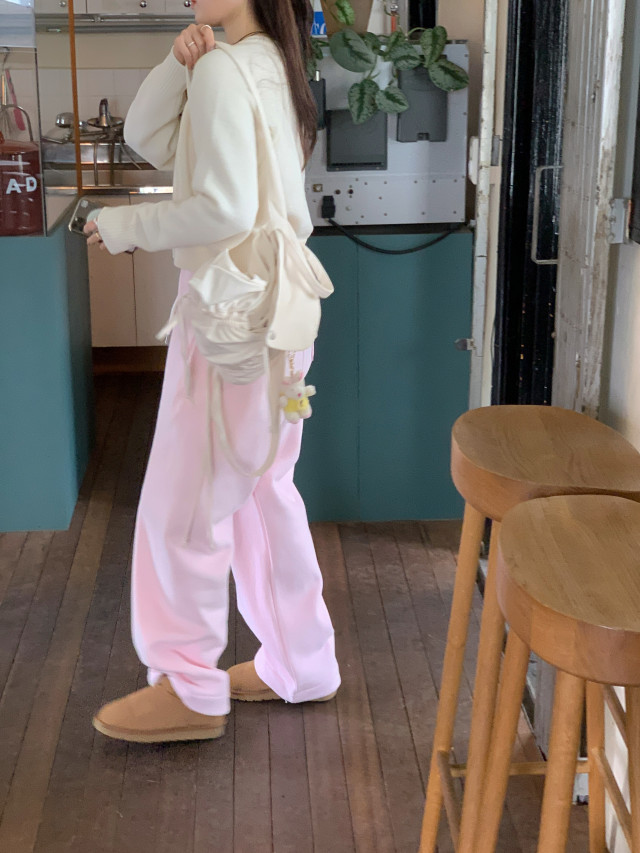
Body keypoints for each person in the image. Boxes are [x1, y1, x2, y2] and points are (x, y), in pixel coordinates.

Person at [87, 0, 341, 743]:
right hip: (278, 317)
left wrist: (124, 226)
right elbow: (149, 137)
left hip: (230, 320)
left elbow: (223, 209)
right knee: (263, 494)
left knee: (185, 504)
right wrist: (179, 63)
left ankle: (189, 686)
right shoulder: (274, 67)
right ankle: (301, 662)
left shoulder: (232, 69)